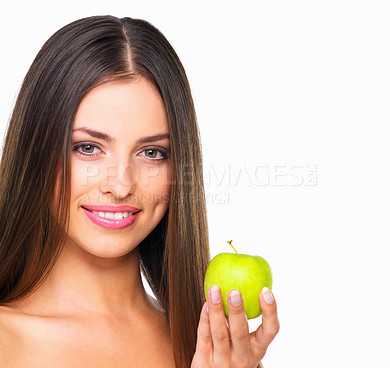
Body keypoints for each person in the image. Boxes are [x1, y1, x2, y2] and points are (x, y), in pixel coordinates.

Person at [0, 15, 279, 367]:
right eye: (88, 148)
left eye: (152, 153)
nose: (120, 186)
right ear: (35, 149)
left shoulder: (209, 346)